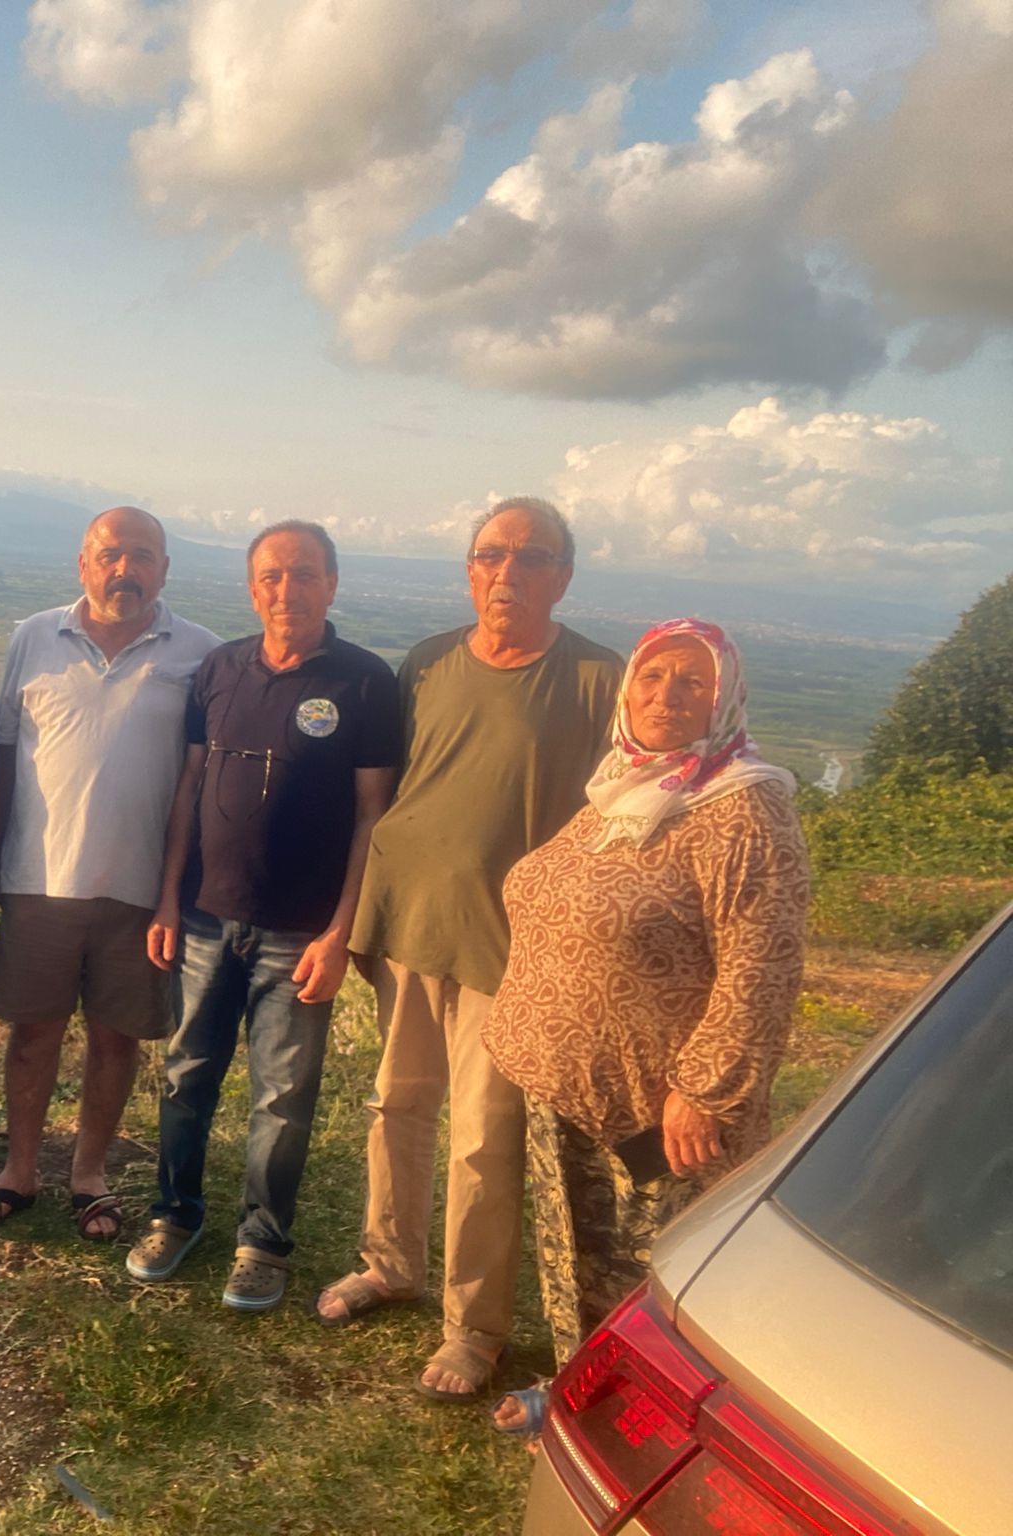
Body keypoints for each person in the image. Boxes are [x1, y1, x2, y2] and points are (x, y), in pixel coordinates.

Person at [320, 496, 623, 1404]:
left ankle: (475, 1327)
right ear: (469, 570)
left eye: (532, 557)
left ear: (563, 576)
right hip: (409, 920)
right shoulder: (428, 662)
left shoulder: (597, 678)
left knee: (484, 1139)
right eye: (492, 554)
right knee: (396, 1104)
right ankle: (388, 1263)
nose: (508, 572)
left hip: (512, 947)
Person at [484, 618, 808, 1437]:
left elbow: (763, 967)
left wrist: (705, 1091)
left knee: (651, 1274)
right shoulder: (623, 788)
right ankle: (579, 1396)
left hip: (660, 1108)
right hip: (567, 1084)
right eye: (652, 676)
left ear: (724, 698)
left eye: (693, 681)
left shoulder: (745, 807)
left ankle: (648, 1425)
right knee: (575, 1259)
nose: (667, 696)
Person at [129, 522, 399, 1310]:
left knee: (282, 1097)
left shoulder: (365, 683)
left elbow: (373, 817)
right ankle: (174, 1214)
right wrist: (168, 896)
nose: (289, 590)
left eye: (305, 574)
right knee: (186, 1074)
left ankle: (263, 1243)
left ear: (332, 584)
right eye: (273, 576)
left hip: (301, 931)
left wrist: (340, 932)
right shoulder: (220, 669)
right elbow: (188, 789)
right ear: (253, 589)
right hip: (204, 919)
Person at [0, 507, 219, 1239]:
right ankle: (19, 1171)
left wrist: (175, 893)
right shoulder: (33, 636)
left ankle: (89, 1175)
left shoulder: (202, 653)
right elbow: (5, 759)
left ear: (164, 569)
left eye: (141, 556)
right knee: (32, 1034)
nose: (124, 569)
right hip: (38, 880)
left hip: (140, 890)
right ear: (84, 564)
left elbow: (196, 784)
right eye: (110, 555)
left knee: (117, 1040)